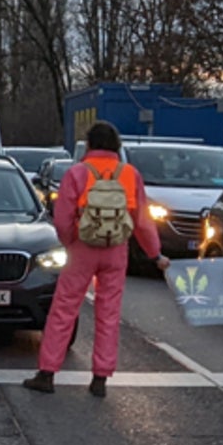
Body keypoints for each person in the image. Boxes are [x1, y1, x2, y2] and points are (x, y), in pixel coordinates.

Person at [24, 122, 170, 398]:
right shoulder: (129, 174)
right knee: (109, 312)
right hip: (116, 249)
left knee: (64, 309)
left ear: (89, 145)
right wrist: (155, 254)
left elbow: (63, 218)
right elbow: (142, 220)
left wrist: (70, 243)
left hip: (82, 247)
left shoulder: (77, 173)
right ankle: (100, 377)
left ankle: (47, 373)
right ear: (116, 146)